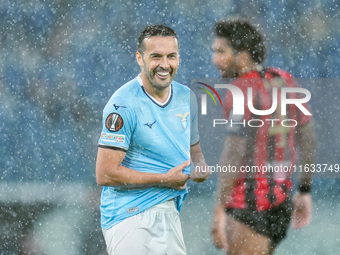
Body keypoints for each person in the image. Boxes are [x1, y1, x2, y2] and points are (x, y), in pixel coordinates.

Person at [95, 24, 209, 255]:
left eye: (171, 56)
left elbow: (194, 149)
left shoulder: (187, 97)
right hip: (130, 213)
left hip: (170, 210)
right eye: (156, 56)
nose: (164, 64)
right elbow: (105, 173)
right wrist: (164, 179)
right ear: (140, 58)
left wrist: (201, 166)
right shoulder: (122, 104)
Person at [210, 18, 317, 255]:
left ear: (243, 54)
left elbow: (233, 153)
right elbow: (308, 140)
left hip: (249, 206)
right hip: (281, 203)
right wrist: (305, 191)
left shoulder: (240, 90)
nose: (215, 59)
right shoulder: (285, 80)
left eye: (221, 51)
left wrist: (218, 211)